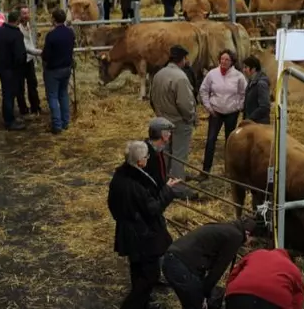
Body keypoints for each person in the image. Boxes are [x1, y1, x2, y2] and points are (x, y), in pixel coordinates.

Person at [108, 141, 180, 309]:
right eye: (147, 157)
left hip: (128, 229)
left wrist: (123, 219)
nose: (148, 159)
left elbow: (111, 204)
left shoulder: (119, 176)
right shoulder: (136, 184)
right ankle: (132, 305)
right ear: (140, 161)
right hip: (142, 233)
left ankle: (143, 303)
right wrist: (168, 190)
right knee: (150, 274)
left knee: (137, 267)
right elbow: (153, 209)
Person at [162, 218, 257, 309]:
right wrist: (205, 295)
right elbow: (218, 269)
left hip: (173, 258)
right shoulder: (236, 236)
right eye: (251, 241)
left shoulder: (226, 228)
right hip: (181, 264)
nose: (248, 244)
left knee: (193, 302)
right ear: (247, 233)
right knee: (196, 305)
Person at [149, 45, 197, 182]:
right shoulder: (180, 77)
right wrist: (190, 117)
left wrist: (159, 115)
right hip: (178, 122)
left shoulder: (159, 74)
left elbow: (152, 98)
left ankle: (163, 181)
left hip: (162, 120)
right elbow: (185, 103)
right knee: (178, 155)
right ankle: (176, 184)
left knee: (164, 153)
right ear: (182, 59)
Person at [198, 49, 246, 177]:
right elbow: (203, 90)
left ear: (232, 62)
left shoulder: (238, 76)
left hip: (231, 113)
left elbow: (243, 93)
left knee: (229, 142)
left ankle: (229, 171)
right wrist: (208, 107)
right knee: (211, 140)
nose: (224, 62)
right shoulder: (212, 74)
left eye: (227, 60)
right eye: (222, 59)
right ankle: (205, 171)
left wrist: (238, 107)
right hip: (216, 112)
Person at [224, 248, 304, 309]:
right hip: (273, 302)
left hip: (237, 295)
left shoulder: (257, 253)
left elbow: (234, 273)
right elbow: (298, 296)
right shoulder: (293, 268)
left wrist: (229, 290)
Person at [0, 9, 27, 131]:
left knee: (6, 92)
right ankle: (9, 121)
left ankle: (9, 117)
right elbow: (20, 55)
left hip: (1, 66)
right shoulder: (17, 35)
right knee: (9, 94)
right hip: (12, 69)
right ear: (17, 20)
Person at [41, 8, 75, 134]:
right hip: (66, 68)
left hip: (53, 70)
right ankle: (66, 122)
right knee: (63, 94)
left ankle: (57, 125)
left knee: (53, 97)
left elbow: (46, 55)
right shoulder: (70, 33)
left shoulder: (51, 35)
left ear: (53, 19)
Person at [18, 6, 42, 117]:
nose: (26, 15)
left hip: (30, 59)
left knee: (33, 84)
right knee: (20, 86)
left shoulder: (28, 25)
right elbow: (25, 47)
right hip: (22, 60)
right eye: (23, 13)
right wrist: (39, 52)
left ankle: (35, 107)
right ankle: (23, 109)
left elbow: (30, 42)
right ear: (20, 15)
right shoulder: (18, 29)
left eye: (27, 13)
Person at [144, 117, 176, 189]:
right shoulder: (147, 154)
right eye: (168, 132)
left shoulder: (158, 149)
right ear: (163, 134)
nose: (170, 134)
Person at [242, 56, 271, 124]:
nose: (244, 70)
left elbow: (265, 107)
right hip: (252, 123)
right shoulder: (251, 82)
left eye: (246, 67)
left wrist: (250, 118)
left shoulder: (261, 84)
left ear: (253, 69)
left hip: (258, 125)